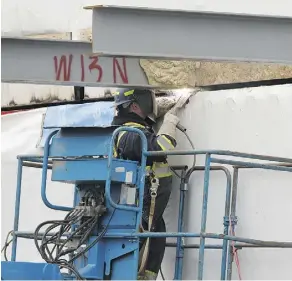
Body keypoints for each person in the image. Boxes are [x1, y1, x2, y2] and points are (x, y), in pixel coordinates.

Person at [111, 88, 190, 280]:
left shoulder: (137, 131)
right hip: (140, 207)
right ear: (135, 105)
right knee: (140, 246)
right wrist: (170, 121)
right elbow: (160, 149)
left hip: (149, 210)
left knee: (153, 244)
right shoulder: (129, 134)